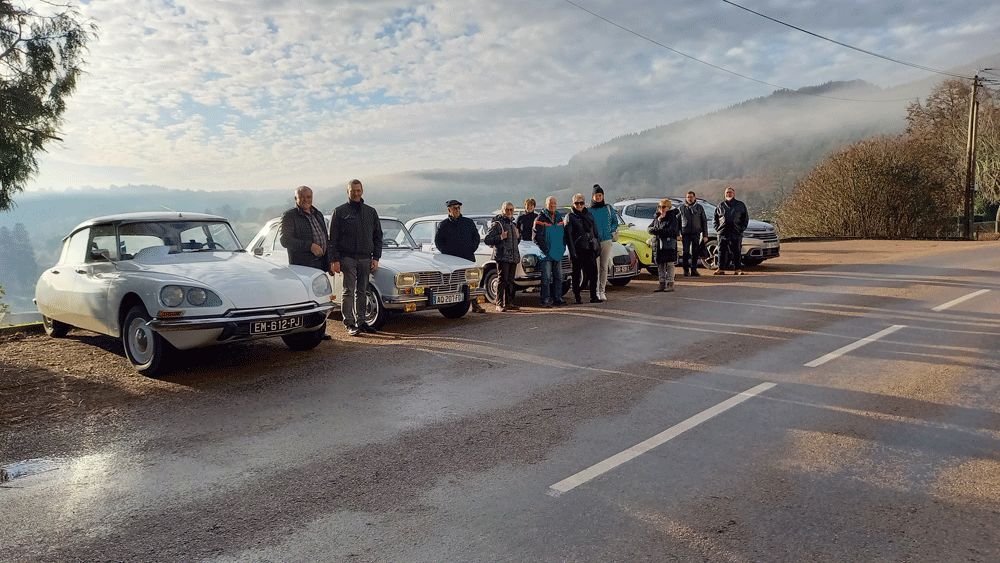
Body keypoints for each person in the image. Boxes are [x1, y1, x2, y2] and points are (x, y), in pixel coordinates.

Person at [329, 179, 383, 336]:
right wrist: (335, 260)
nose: (356, 193)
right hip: (347, 258)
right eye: (353, 190)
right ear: (348, 191)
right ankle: (350, 323)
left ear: (362, 191)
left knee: (362, 291)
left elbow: (378, 236)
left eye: (358, 190)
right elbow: (332, 239)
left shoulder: (370, 212)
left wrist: (376, 258)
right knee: (348, 290)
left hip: (366, 258)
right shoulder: (339, 212)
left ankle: (362, 321)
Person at [280, 185, 332, 339]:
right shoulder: (289, 216)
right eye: (302, 197)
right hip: (303, 265)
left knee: (321, 299)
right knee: (307, 300)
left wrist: (328, 262)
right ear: (296, 199)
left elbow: (325, 239)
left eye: (309, 197)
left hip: (320, 264)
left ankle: (320, 331)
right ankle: (303, 334)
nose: (306, 200)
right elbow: (285, 240)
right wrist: (309, 246)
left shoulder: (318, 214)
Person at [435, 199, 486, 313]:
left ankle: (475, 304)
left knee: (472, 281)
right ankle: (451, 305)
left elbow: (476, 237)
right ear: (449, 210)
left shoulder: (468, 222)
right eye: (454, 208)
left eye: (458, 208)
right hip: (452, 260)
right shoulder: (443, 225)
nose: (457, 210)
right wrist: (448, 254)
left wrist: (472, 248)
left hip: (468, 257)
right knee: (454, 282)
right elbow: (438, 242)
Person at [532, 196, 569, 308]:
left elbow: (563, 235)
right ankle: (545, 300)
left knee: (558, 277)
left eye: (554, 203)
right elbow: (536, 237)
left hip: (557, 253)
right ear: (546, 204)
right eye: (550, 203)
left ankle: (557, 298)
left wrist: (563, 247)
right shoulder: (540, 218)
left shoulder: (559, 218)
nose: (552, 205)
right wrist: (546, 249)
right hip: (546, 255)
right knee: (546, 279)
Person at [484, 201, 521, 312]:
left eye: (511, 210)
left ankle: (509, 303)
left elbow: (515, 242)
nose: (509, 212)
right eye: (507, 210)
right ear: (502, 211)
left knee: (510, 281)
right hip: (502, 257)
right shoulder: (497, 224)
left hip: (513, 257)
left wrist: (518, 236)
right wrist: (500, 236)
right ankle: (499, 304)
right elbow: (487, 239)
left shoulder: (513, 225)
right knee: (502, 280)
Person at [564, 193, 600, 304]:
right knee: (577, 275)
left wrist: (597, 245)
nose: (579, 205)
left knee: (593, 273)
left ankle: (593, 296)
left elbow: (595, 231)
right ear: (573, 204)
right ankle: (577, 297)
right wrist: (572, 251)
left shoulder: (589, 215)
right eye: (576, 203)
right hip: (578, 250)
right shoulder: (570, 216)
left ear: (584, 203)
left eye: (581, 203)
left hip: (590, 249)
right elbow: (568, 236)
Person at [589, 184, 619, 301]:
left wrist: (611, 231)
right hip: (594, 242)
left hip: (606, 240)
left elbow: (614, 222)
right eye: (596, 195)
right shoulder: (589, 210)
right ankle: (595, 291)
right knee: (595, 267)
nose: (598, 197)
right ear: (593, 196)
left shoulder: (608, 208)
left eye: (600, 195)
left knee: (604, 266)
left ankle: (602, 290)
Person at [713, 186, 749, 275]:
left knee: (736, 251)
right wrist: (718, 229)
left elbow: (745, 219)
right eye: (727, 193)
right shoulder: (720, 205)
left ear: (734, 194)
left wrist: (741, 229)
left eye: (730, 192)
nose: (729, 194)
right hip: (723, 233)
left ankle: (737, 269)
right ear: (725, 194)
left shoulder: (740, 205)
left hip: (736, 232)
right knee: (721, 251)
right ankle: (720, 269)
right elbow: (715, 219)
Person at [648, 198, 680, 292]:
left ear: (668, 207)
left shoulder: (673, 217)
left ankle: (670, 283)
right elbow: (650, 227)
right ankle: (661, 284)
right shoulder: (657, 217)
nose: (661, 208)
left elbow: (673, 231)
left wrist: (658, 231)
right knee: (660, 264)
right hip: (658, 244)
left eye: (663, 207)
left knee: (669, 264)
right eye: (659, 207)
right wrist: (653, 230)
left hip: (668, 244)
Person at [679, 191, 709, 277]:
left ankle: (694, 270)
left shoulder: (699, 208)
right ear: (686, 198)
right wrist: (678, 234)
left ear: (694, 198)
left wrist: (705, 235)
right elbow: (678, 221)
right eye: (688, 197)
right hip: (685, 233)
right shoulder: (681, 208)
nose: (690, 199)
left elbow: (704, 222)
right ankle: (685, 270)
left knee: (695, 252)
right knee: (685, 252)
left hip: (696, 233)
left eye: (691, 197)